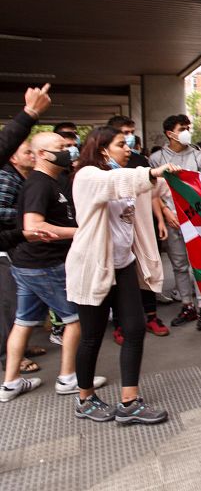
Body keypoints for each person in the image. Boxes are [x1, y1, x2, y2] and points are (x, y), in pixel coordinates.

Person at [66, 126, 178, 424]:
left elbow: (157, 190)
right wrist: (151, 173)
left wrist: (190, 181)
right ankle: (85, 398)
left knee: (135, 328)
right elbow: (114, 182)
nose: (128, 148)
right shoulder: (87, 176)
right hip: (94, 266)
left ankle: (130, 402)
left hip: (123, 264)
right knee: (91, 337)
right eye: (121, 144)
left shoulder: (126, 177)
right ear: (103, 149)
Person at [1, 132, 107, 402]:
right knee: (76, 320)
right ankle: (68, 377)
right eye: (62, 147)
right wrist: (80, 232)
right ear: (44, 154)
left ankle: (11, 383)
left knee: (23, 321)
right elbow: (33, 226)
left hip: (29, 264)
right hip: (44, 264)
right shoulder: (39, 184)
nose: (70, 150)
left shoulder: (49, 181)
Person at [108, 115, 171, 340]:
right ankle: (119, 323)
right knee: (120, 277)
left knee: (148, 268)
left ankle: (151, 316)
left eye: (131, 132)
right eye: (124, 135)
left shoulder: (140, 161)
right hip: (117, 232)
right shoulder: (98, 169)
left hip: (142, 225)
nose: (130, 139)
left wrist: (162, 218)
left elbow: (153, 191)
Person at [149, 114, 201, 327]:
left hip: (198, 218)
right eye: (182, 128)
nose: (187, 131)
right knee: (179, 265)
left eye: (188, 127)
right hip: (172, 220)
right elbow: (152, 191)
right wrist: (165, 213)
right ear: (170, 133)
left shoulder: (198, 157)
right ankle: (188, 306)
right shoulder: (157, 159)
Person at [0, 142, 38, 375]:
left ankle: (19, 346)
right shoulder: (6, 178)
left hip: (14, 247)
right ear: (13, 158)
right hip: (4, 249)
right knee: (8, 304)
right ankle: (9, 356)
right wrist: (33, 214)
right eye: (27, 152)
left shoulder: (23, 178)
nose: (33, 156)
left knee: (21, 302)